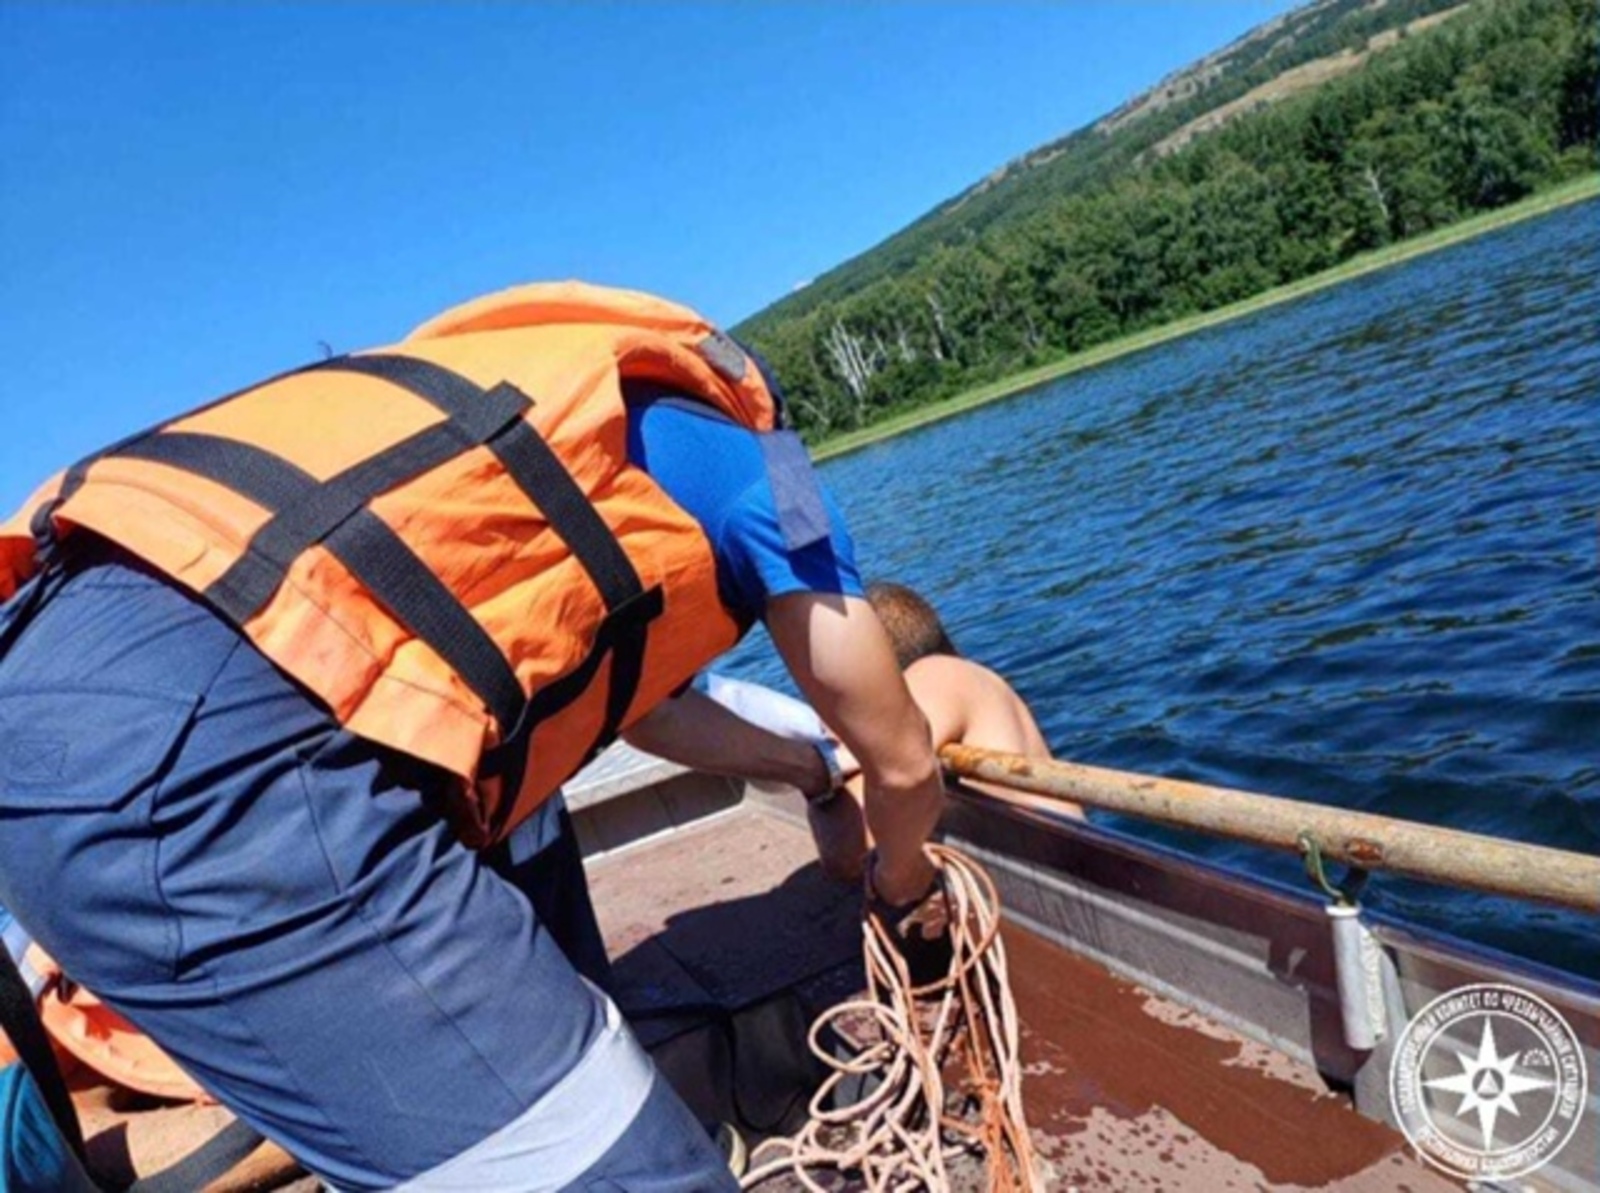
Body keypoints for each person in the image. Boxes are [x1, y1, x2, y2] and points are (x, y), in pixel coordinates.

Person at [0, 282, 945, 1192]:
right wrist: (902, 885)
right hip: (195, 757)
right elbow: (900, 755)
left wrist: (810, 777)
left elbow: (649, 709)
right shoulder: (769, 466)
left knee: (525, 812)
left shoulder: (541, 417)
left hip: (63, 677)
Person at [806, 580, 1081, 883]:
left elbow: (846, 847)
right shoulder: (956, 685)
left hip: (1073, 895)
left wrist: (821, 768)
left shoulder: (940, 675)